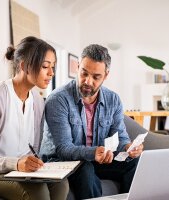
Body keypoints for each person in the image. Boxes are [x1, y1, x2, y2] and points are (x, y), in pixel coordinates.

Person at [0, 36, 69, 200]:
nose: (51, 73)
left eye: (52, 67)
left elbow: (31, 149)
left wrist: (35, 164)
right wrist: (16, 164)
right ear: (24, 65)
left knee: (61, 184)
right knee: (37, 193)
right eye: (45, 66)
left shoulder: (38, 102)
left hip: (16, 170)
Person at [40, 44, 144, 200]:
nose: (88, 81)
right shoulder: (58, 99)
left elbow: (120, 136)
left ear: (106, 75)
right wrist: (93, 152)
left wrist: (129, 147)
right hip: (62, 161)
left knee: (135, 163)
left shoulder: (113, 99)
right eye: (84, 73)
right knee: (86, 169)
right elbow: (64, 148)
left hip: (96, 159)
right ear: (78, 67)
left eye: (96, 77)